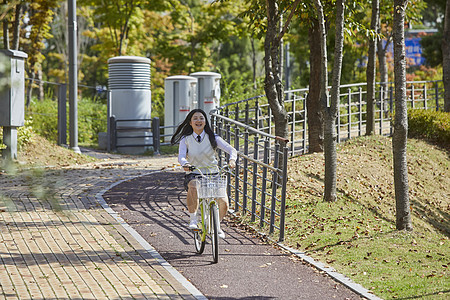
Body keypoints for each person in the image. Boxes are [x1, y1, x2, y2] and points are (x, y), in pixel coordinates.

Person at [171, 109, 237, 239]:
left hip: (214, 173)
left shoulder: (213, 137)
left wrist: (232, 160)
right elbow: (181, 156)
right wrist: (185, 164)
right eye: (195, 118)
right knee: (193, 187)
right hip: (195, 172)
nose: (198, 121)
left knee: (224, 202)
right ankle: (193, 219)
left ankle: (216, 226)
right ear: (190, 122)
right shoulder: (186, 139)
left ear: (205, 121)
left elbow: (231, 149)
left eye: (201, 118)